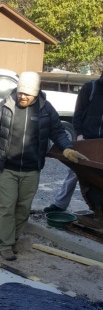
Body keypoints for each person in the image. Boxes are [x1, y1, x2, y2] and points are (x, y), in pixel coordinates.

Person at [0, 72, 87, 261]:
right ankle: (5, 244)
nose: (22, 96)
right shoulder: (5, 105)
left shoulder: (45, 109)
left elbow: (57, 131)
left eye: (27, 94)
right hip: (8, 168)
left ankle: (13, 238)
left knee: (23, 208)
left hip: (32, 169)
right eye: (20, 92)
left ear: (36, 93)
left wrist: (67, 149)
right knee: (7, 206)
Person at [44, 73, 103, 213]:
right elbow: (78, 113)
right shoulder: (91, 88)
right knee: (75, 171)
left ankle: (97, 206)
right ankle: (60, 204)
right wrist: (80, 134)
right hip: (87, 139)